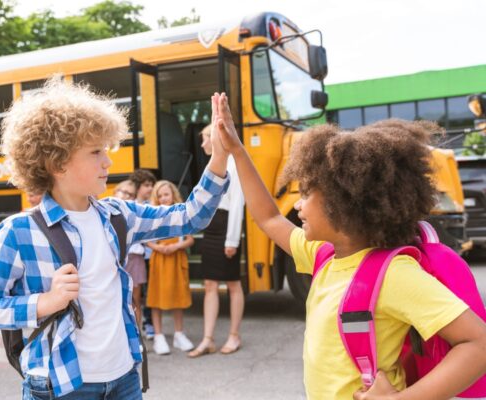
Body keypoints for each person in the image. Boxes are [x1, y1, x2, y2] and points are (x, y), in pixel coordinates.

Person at [0, 80, 230, 400]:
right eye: (95, 152)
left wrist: (219, 157)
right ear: (57, 163)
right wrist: (44, 303)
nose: (108, 161)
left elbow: (190, 216)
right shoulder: (19, 231)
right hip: (61, 385)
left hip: (124, 379)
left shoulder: (119, 215)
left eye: (106, 149)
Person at [213, 94, 486, 399]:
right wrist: (238, 150)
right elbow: (268, 217)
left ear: (341, 203)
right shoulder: (323, 255)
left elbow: (478, 344)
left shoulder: (394, 275)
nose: (299, 205)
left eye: (307, 193)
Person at [188, 124, 245, 358]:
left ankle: (234, 335)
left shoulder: (233, 165)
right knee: (209, 284)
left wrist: (232, 239)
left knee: (233, 284)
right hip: (211, 229)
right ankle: (208, 339)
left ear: (215, 139)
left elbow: (236, 204)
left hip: (225, 229)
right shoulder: (213, 166)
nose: (202, 145)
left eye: (205, 139)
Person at [145, 180, 195, 355]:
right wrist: (158, 247)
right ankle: (158, 335)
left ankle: (179, 334)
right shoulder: (153, 215)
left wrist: (175, 247)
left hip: (176, 257)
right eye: (159, 196)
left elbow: (190, 239)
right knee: (155, 297)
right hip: (159, 259)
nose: (163, 198)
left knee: (178, 296)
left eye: (166, 194)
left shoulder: (180, 214)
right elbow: (146, 240)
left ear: (173, 194)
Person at [113, 180, 146, 328]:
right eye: (123, 191)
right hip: (115, 261)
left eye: (130, 194)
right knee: (115, 299)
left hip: (134, 258)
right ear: (115, 192)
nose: (126, 196)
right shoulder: (104, 212)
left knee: (134, 300)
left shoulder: (135, 213)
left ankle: (137, 333)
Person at [129, 169, 157, 340]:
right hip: (139, 255)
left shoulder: (151, 205)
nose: (150, 188)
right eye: (147, 185)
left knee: (147, 292)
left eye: (152, 185)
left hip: (149, 254)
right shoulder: (131, 206)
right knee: (138, 294)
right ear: (138, 187)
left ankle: (149, 321)